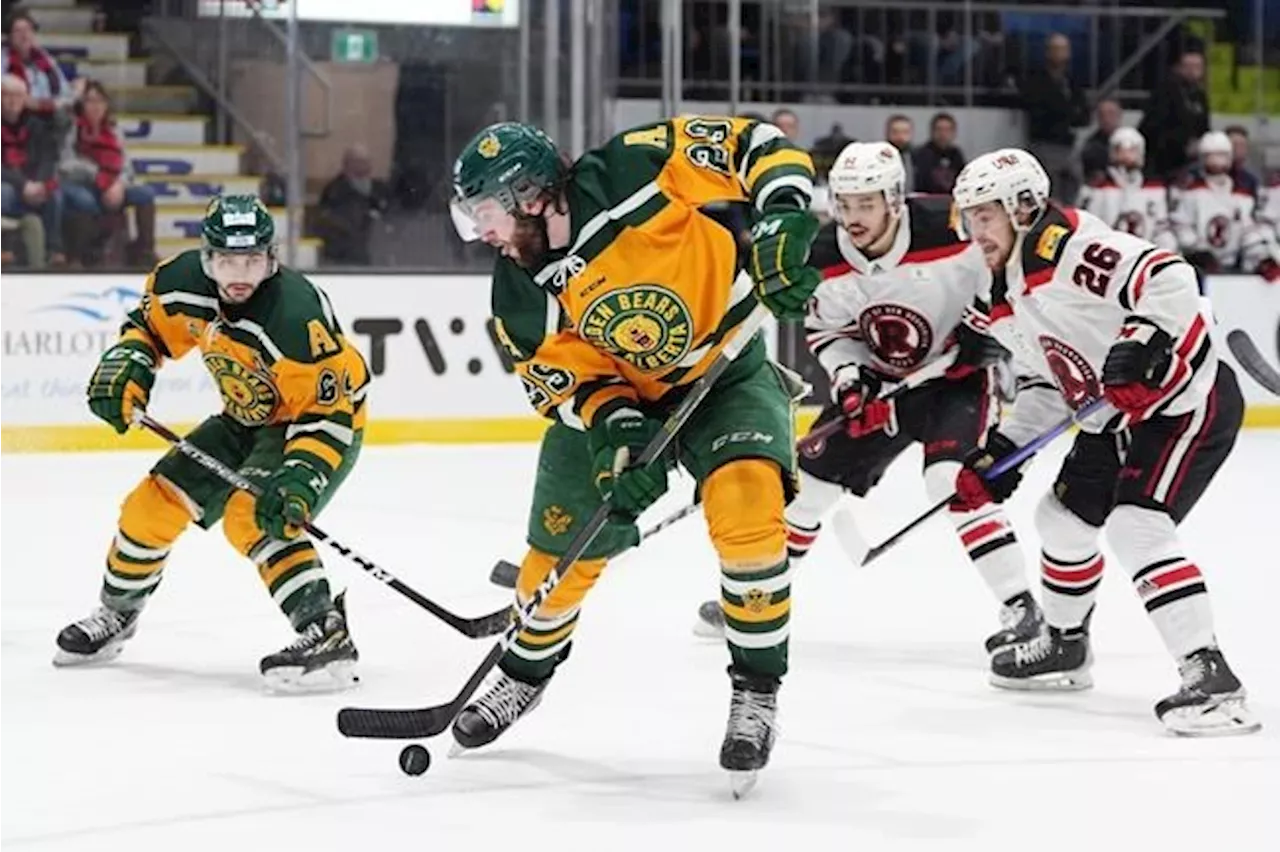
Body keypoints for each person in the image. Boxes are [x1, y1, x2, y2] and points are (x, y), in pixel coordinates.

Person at [449, 116, 821, 792]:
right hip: (623, 406)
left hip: (724, 370)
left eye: (488, 214)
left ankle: (757, 690)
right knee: (554, 568)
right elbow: (566, 384)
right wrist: (616, 434)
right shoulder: (518, 294)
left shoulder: (631, 171)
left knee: (749, 515)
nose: (485, 234)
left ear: (532, 196)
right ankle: (524, 675)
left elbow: (754, 145)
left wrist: (783, 218)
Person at [950, 148, 1259, 737]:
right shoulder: (1002, 293)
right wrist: (1004, 446)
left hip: (1184, 401)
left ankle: (1212, 678)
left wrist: (1142, 341)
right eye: (968, 218)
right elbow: (1049, 379)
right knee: (1061, 519)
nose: (974, 231)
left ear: (1022, 208)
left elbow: (1166, 276)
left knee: (1135, 525)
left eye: (984, 215)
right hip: (1112, 416)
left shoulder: (1067, 250)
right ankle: (1066, 647)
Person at [692, 142, 1041, 657]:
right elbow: (830, 332)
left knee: (951, 480)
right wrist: (852, 379)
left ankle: (1022, 607)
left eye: (866, 204)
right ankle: (757, 598)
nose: (853, 217)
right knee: (806, 487)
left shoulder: (949, 227)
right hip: (883, 383)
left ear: (894, 199)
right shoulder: (824, 256)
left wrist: (992, 323)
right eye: (845, 203)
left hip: (957, 378)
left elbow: (1007, 265)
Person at [54, 195, 371, 694]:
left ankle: (324, 630)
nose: (239, 273)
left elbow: (326, 412)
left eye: (250, 260)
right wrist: (129, 365)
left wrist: (297, 480)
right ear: (207, 258)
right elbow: (148, 331)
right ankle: (117, 616)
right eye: (226, 260)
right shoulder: (181, 283)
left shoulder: (296, 316)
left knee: (254, 515)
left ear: (270, 258)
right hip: (243, 418)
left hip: (315, 424)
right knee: (148, 507)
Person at [59, 79, 157, 268]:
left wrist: (118, 183)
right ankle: (80, 256)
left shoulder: (114, 130)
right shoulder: (72, 126)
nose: (95, 106)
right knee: (84, 201)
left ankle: (144, 251)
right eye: (90, 101)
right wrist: (97, 176)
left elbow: (126, 165)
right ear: (82, 104)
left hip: (112, 184)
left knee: (145, 194)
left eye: (100, 101)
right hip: (81, 183)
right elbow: (66, 164)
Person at [1170, 131, 1279, 280]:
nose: (1217, 161)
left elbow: (1249, 232)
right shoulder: (1190, 192)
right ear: (1202, 158)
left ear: (1230, 157)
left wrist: (1262, 258)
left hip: (1233, 267)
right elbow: (1181, 226)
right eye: (1211, 156)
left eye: (1222, 155)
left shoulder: (1243, 195)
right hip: (1197, 267)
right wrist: (1199, 253)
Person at [1076, 127, 1176, 251]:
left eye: (1132, 150)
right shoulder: (1095, 189)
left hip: (1143, 258)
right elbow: (1086, 228)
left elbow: (1161, 230)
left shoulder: (1155, 189)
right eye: (1120, 150)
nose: (1126, 155)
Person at [0, 72, 62, 267]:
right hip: (9, 183)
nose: (13, 101)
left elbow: (47, 157)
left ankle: (54, 251)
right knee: (5, 192)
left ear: (26, 99)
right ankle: (5, 247)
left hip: (33, 184)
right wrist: (23, 185)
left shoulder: (37, 125)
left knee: (56, 196)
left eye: (18, 95)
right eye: (7, 95)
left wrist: (39, 184)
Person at [1020, 33, 1089, 201]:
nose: (1060, 54)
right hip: (1044, 143)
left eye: (1064, 49)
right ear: (1048, 52)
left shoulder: (1072, 81)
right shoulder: (1036, 80)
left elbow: (1083, 110)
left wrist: (1072, 115)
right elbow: (1041, 108)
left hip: (1068, 144)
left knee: (1074, 187)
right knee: (1049, 191)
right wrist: (1068, 112)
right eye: (1056, 49)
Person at [1139, 49, 1210, 181]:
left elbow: (1204, 126)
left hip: (1192, 160)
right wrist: (1183, 144)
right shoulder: (1165, 92)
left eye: (1197, 67)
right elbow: (1154, 127)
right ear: (1179, 68)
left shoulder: (1200, 96)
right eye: (1188, 66)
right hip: (1163, 160)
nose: (1192, 71)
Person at [316, 143, 391, 266]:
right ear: (346, 163)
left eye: (367, 161)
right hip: (344, 255)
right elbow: (331, 221)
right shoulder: (335, 191)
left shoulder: (380, 189)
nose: (364, 165)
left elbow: (390, 215)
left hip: (376, 251)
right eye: (359, 161)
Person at [0, 10, 73, 120]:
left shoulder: (46, 59)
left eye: (28, 30)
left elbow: (66, 94)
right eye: (18, 31)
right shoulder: (3, 59)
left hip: (47, 113)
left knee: (64, 117)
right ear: (10, 36)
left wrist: (49, 105)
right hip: (14, 115)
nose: (24, 35)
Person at [913, 112, 965, 195]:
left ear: (954, 133)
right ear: (932, 131)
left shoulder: (956, 154)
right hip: (925, 201)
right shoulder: (921, 154)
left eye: (947, 130)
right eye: (939, 129)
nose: (943, 134)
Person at [1078, 98, 1124, 183]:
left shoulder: (1132, 140)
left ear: (1119, 115)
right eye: (1102, 114)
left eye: (1111, 113)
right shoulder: (1091, 146)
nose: (1107, 119)